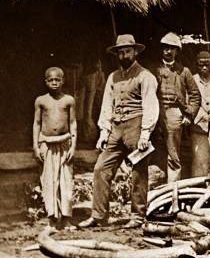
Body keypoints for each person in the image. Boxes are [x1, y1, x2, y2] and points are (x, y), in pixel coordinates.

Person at [79, 34, 159, 228]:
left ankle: (137, 216)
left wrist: (145, 133)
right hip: (116, 127)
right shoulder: (112, 77)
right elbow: (107, 105)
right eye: (120, 52)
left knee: (138, 172)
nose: (124, 55)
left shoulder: (145, 76)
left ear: (135, 52)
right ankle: (99, 216)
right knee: (101, 168)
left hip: (136, 126)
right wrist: (104, 132)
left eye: (127, 51)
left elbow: (150, 105)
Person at [152, 32, 201, 182]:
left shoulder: (184, 71)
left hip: (174, 114)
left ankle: (172, 191)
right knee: (154, 151)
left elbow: (195, 95)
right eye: (165, 48)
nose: (168, 51)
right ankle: (155, 187)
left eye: (172, 48)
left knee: (173, 155)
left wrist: (188, 115)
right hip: (155, 112)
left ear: (177, 51)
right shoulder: (154, 70)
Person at [33, 67, 77, 230]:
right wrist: (36, 146)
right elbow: (37, 123)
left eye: (57, 80)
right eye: (50, 80)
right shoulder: (41, 100)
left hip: (65, 143)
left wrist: (73, 146)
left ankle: (66, 220)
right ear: (45, 82)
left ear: (63, 80)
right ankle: (51, 220)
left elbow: (73, 123)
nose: (54, 83)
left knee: (66, 181)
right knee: (49, 181)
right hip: (46, 144)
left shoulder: (69, 100)